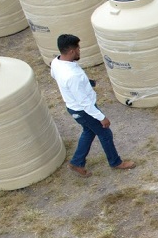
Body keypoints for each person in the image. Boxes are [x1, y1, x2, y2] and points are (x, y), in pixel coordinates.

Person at [51, 34, 135, 177]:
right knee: (105, 133)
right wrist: (101, 117)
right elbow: (84, 102)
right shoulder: (72, 76)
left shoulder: (57, 62)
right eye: (78, 48)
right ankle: (116, 162)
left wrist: (86, 83)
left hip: (74, 108)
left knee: (89, 131)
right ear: (71, 51)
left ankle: (77, 162)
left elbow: (55, 75)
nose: (79, 51)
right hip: (83, 110)